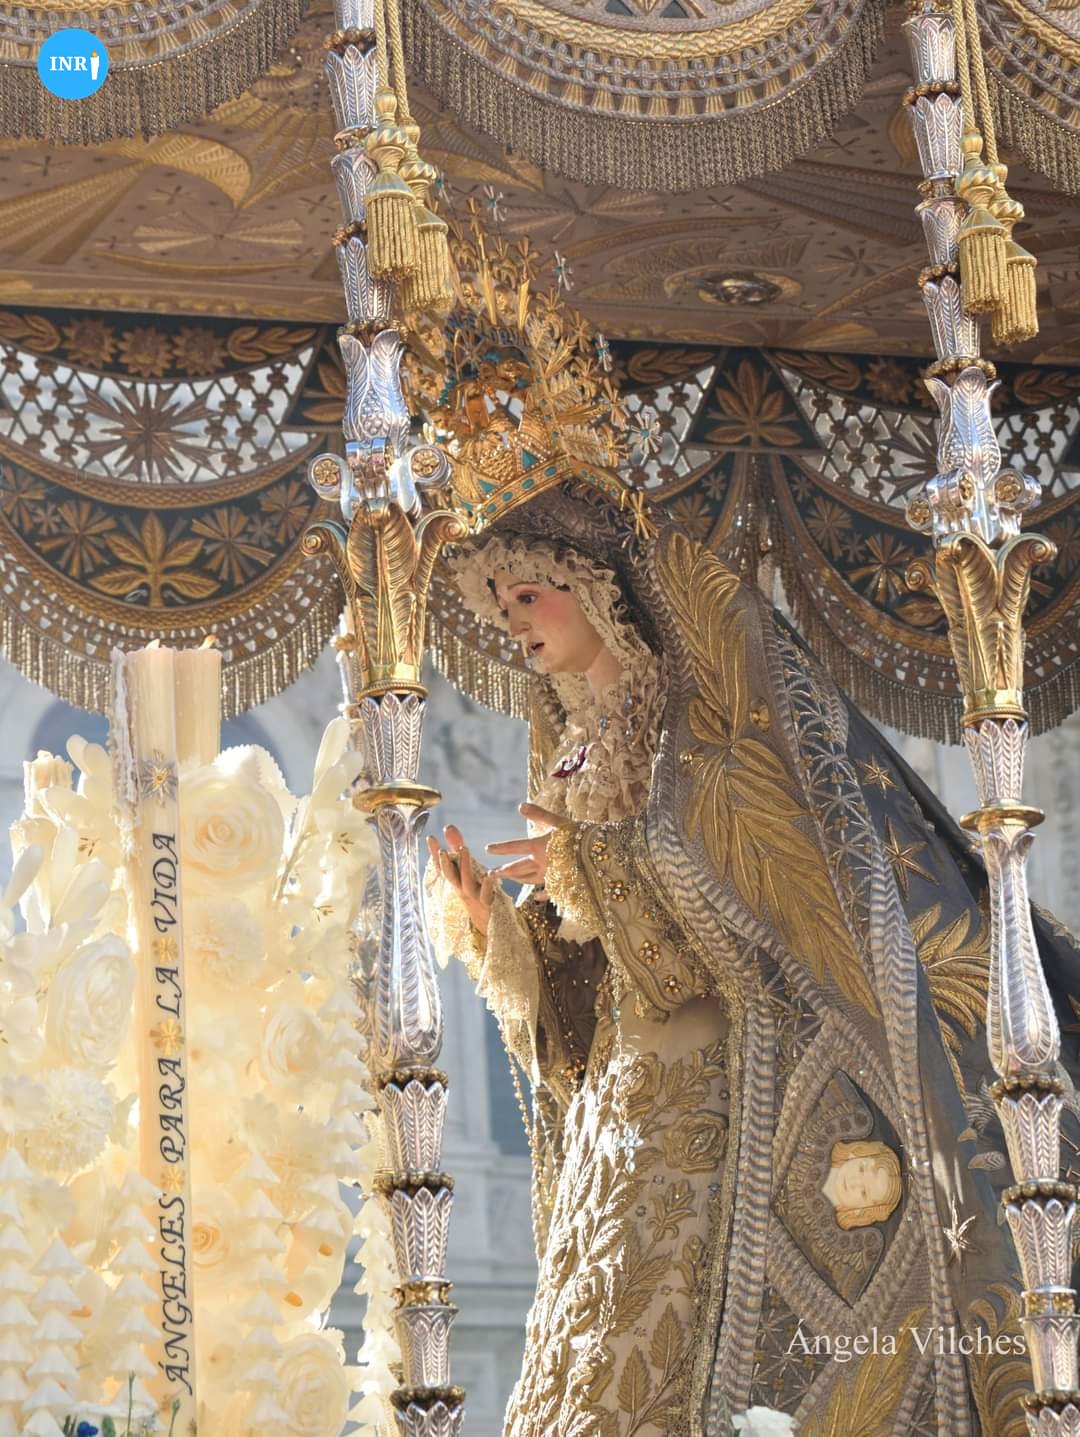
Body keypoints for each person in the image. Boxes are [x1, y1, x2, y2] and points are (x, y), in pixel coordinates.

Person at [423, 482, 1080, 1437]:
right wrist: (506, 932)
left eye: (531, 595)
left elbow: (739, 895)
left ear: (599, 591)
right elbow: (610, 980)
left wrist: (590, 864)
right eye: (504, 603)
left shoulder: (695, 724)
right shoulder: (575, 754)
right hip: (632, 1112)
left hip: (724, 1099)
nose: (515, 621)